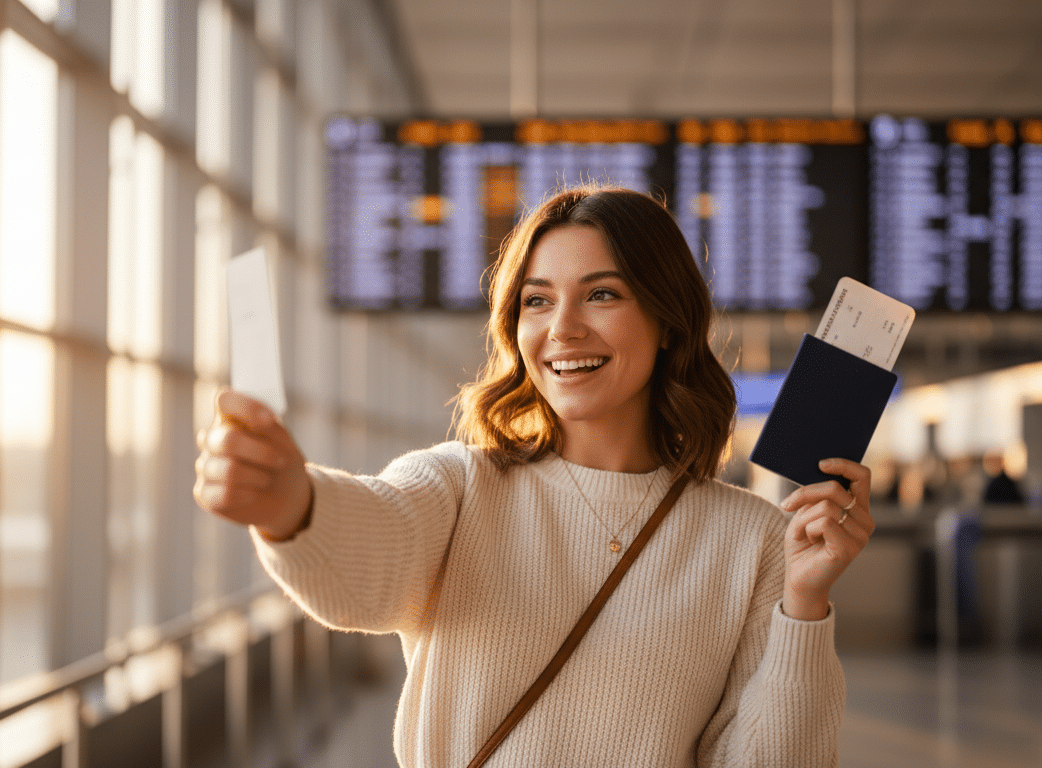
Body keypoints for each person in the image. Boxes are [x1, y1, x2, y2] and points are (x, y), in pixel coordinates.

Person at [194, 185, 874, 766]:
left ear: (667, 321)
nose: (563, 329)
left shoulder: (752, 539)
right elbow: (365, 560)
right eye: (537, 301)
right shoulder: (461, 487)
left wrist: (805, 603)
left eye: (602, 294)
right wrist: (292, 502)